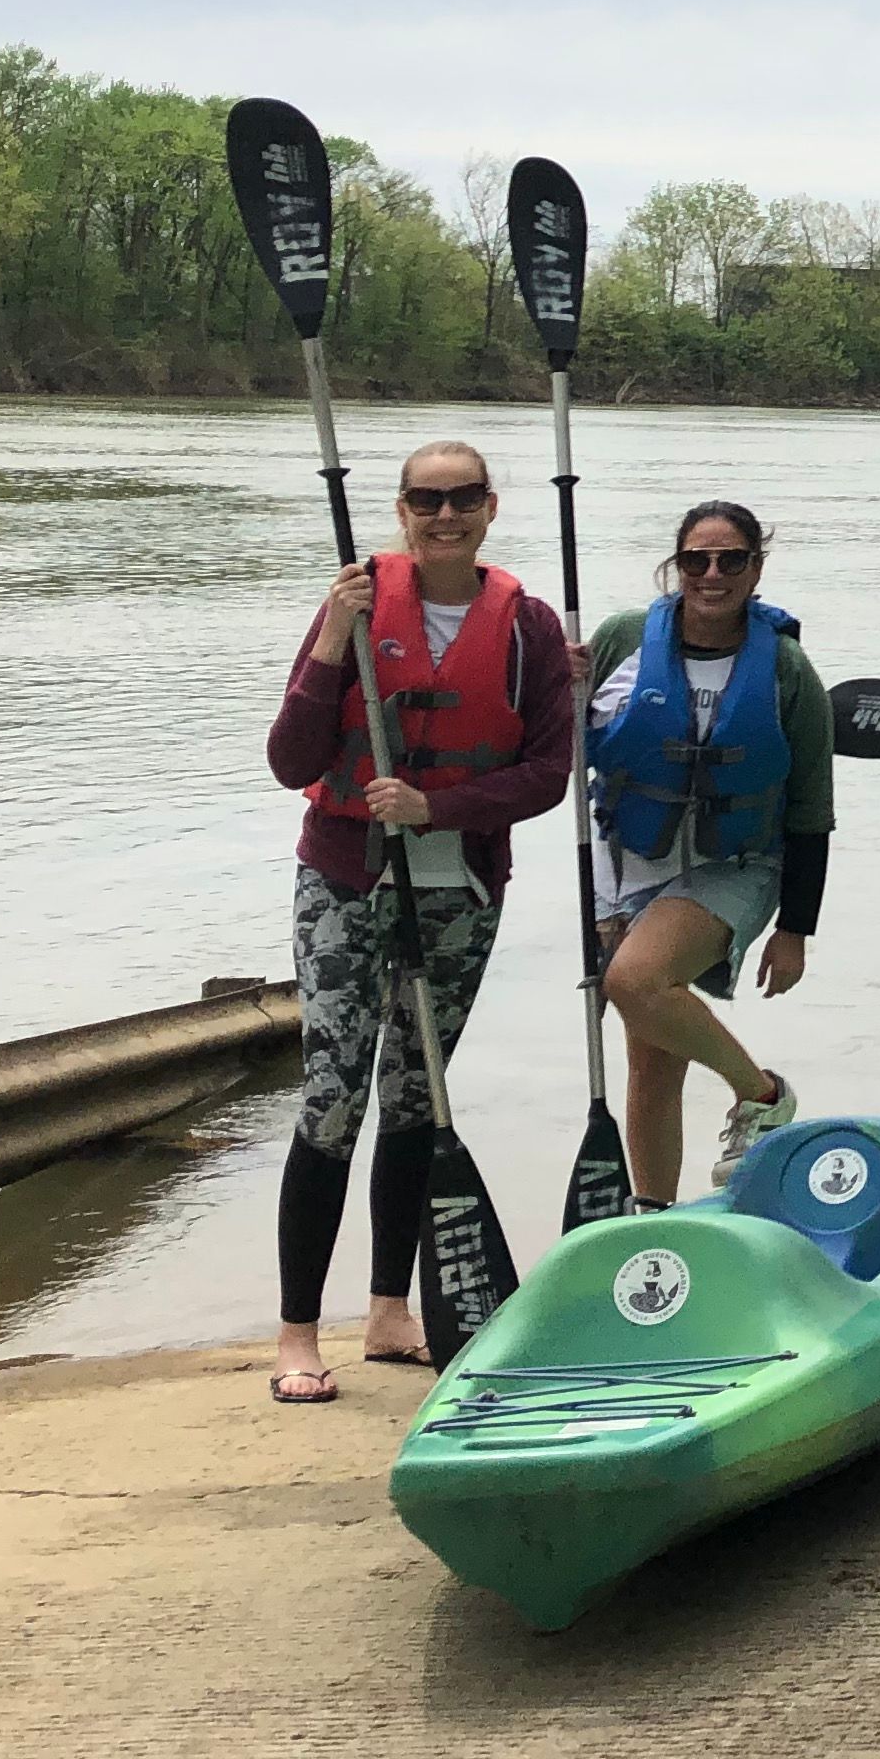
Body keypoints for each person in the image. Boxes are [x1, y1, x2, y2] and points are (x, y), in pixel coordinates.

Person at [260, 439, 572, 1404]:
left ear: (489, 508)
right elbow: (289, 758)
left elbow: (548, 776)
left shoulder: (526, 628)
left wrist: (437, 809)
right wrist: (326, 646)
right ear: (400, 511)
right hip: (347, 879)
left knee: (416, 1092)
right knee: (332, 1095)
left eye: (463, 499)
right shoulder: (352, 605)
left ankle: (390, 1309)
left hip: (457, 889)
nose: (445, 516)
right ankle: (297, 1334)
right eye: (426, 501)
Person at [585, 499, 835, 1206]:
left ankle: (759, 1093)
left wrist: (794, 933)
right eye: (697, 559)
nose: (713, 574)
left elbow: (813, 808)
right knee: (651, 1063)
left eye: (732, 559)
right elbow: (565, 746)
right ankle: (653, 1215)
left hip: (737, 864)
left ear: (757, 569)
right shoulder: (622, 639)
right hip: (628, 864)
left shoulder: (786, 670)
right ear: (677, 566)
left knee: (633, 983)